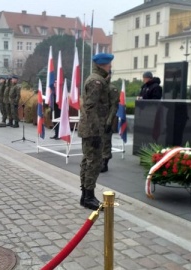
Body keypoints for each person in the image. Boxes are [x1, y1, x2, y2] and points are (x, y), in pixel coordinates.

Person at [78, 53, 112, 210]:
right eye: (109, 64)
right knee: (94, 162)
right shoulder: (96, 82)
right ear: (103, 65)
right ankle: (89, 197)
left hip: (91, 128)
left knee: (88, 160)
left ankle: (85, 196)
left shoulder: (98, 79)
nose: (110, 66)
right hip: (93, 129)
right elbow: (90, 108)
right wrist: (96, 131)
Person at [101, 80, 119, 173]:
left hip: (107, 119)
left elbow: (114, 107)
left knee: (106, 141)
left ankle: (105, 163)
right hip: (98, 120)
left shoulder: (112, 89)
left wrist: (109, 122)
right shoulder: (99, 86)